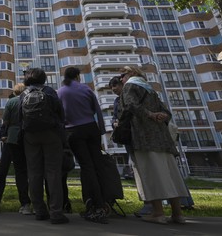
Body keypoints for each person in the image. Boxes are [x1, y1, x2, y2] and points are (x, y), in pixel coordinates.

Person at [119, 66, 188, 225]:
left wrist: (149, 115)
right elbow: (166, 112)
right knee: (171, 174)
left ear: (132, 73)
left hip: (144, 136)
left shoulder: (130, 86)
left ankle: (158, 213)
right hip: (162, 138)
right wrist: (160, 116)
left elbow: (130, 105)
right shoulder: (150, 89)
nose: (121, 79)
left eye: (123, 75)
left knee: (151, 173)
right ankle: (177, 213)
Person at [57, 67, 108, 224]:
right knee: (96, 166)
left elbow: (59, 116)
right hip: (91, 128)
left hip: (73, 131)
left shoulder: (60, 92)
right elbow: (97, 110)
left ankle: (95, 205)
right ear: (78, 76)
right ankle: (101, 203)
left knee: (86, 167)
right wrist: (101, 131)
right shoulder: (86, 88)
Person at [20, 68, 69, 225]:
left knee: (34, 173)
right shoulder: (50, 92)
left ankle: (39, 211)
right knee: (53, 173)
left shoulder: (23, 94)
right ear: (43, 78)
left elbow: (18, 117)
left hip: (30, 137)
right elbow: (61, 113)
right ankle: (56, 213)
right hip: (51, 134)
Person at [110, 75, 152, 217]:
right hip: (129, 138)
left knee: (143, 169)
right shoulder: (117, 101)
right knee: (137, 169)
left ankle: (151, 204)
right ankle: (148, 203)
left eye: (115, 85)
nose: (114, 89)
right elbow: (116, 116)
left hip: (139, 137)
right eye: (111, 88)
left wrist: (120, 121)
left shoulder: (132, 97)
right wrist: (115, 122)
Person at [0, 84, 32, 215]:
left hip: (10, 140)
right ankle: (25, 203)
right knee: (21, 172)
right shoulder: (29, 100)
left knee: (2, 172)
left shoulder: (11, 102)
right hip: (24, 139)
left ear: (15, 91)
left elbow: (5, 121)